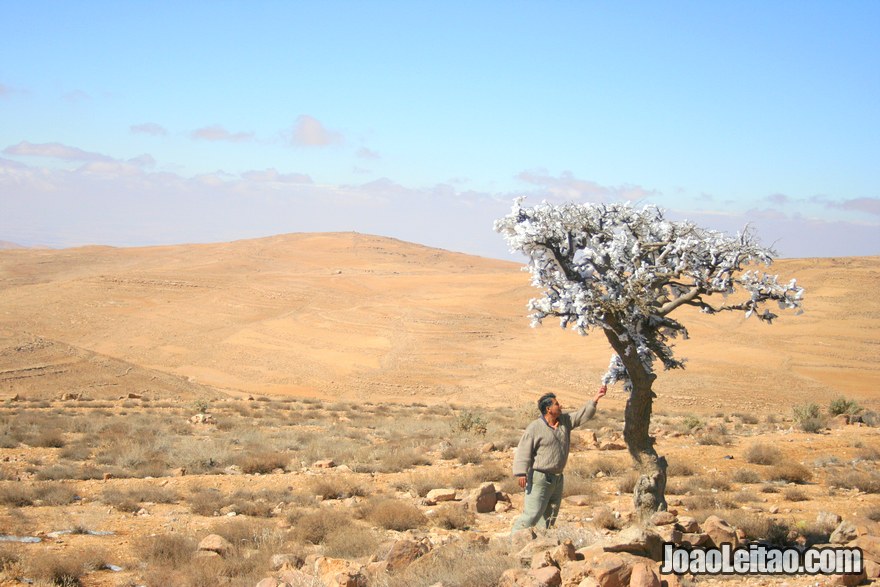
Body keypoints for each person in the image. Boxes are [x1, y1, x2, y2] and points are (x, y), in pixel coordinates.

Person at [511, 385, 607, 532]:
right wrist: (521, 473)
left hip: (557, 479)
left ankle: (540, 545)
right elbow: (524, 450)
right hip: (539, 478)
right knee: (532, 515)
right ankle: (513, 543)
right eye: (556, 404)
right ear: (548, 409)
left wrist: (595, 399)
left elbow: (581, 415)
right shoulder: (535, 427)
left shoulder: (565, 422)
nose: (560, 405)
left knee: (549, 518)